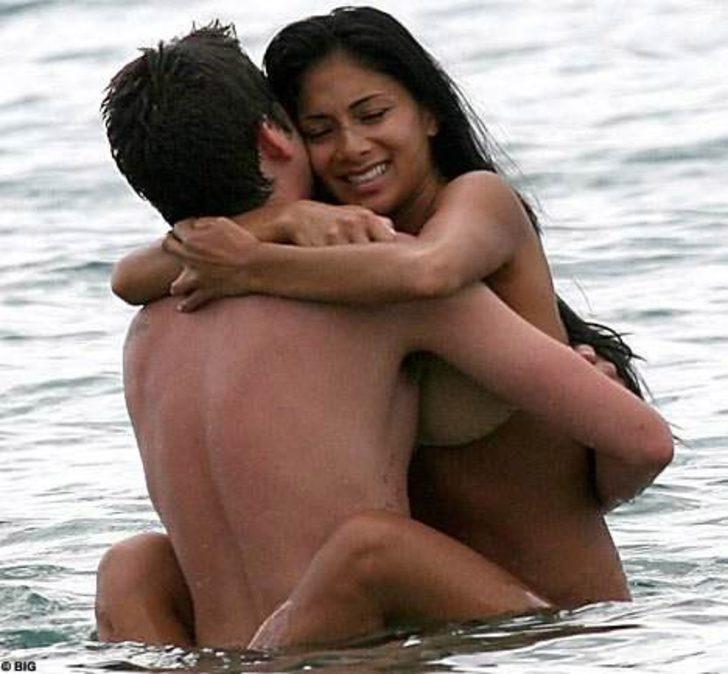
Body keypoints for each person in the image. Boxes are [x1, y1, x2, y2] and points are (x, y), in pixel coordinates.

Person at [100, 22, 672, 649]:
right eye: (319, 130)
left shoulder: (452, 228)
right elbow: (130, 274)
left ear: (429, 111)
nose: (350, 148)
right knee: (140, 563)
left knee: (367, 551)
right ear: (282, 136)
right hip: (440, 626)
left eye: (372, 114)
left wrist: (254, 259)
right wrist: (280, 223)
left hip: (560, 628)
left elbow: (428, 269)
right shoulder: (351, 279)